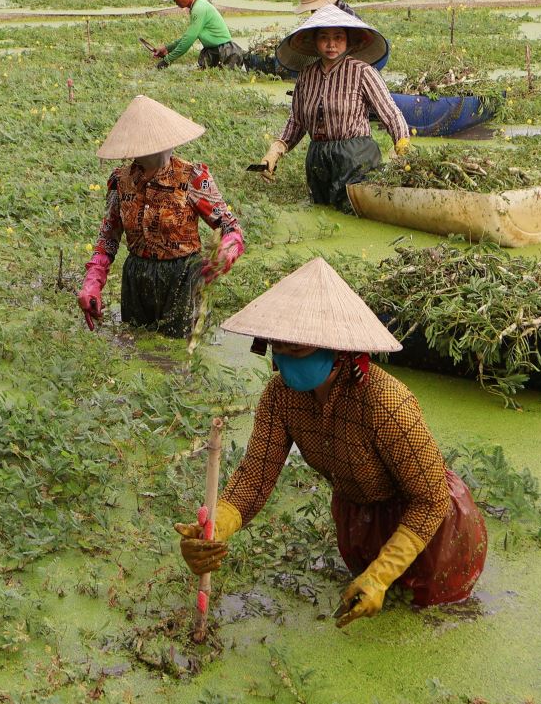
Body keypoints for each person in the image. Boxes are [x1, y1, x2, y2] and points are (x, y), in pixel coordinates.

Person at [175, 258, 487, 626]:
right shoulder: (281, 397)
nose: (287, 360)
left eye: (299, 349)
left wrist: (381, 573)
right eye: (280, 348)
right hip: (360, 520)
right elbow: (254, 478)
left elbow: (431, 499)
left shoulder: (386, 403)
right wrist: (215, 528)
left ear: (336, 347)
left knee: (431, 623)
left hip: (432, 531)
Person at [79, 95, 244, 338]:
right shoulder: (121, 182)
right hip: (137, 279)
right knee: (138, 348)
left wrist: (224, 254)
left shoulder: (192, 178)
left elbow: (231, 228)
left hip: (183, 277)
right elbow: (108, 237)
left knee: (178, 354)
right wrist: (93, 280)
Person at [258, 5, 410, 212]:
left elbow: (391, 114)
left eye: (338, 37)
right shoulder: (306, 75)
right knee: (323, 212)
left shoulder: (363, 73)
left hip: (356, 157)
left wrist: (402, 148)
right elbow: (297, 121)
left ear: (349, 40)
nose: (331, 44)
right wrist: (275, 151)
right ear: (314, 41)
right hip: (318, 159)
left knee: (355, 214)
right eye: (324, 37)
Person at [153, 0, 246, 70]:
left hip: (225, 53)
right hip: (213, 51)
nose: (174, 0)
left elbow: (188, 40)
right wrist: (167, 49)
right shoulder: (198, 6)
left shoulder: (199, 9)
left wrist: (167, 60)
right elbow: (188, 37)